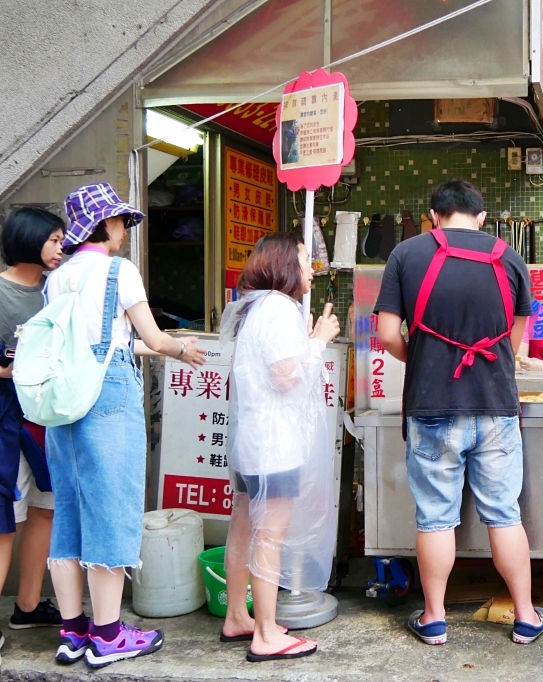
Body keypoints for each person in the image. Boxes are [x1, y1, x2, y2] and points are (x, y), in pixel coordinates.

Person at [374, 180, 543, 646]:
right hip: (495, 405)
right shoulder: (509, 258)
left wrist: (426, 356)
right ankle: (527, 616)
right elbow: (515, 342)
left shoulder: (406, 255)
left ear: (433, 216)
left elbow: (388, 333)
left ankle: (434, 619)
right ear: (482, 217)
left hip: (432, 405)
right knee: (504, 514)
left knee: (434, 517)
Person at [43, 183, 205, 669]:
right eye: (119, 222)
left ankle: (73, 632)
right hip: (108, 398)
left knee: (70, 513)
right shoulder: (120, 270)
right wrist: (181, 348)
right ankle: (109, 636)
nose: (123, 230)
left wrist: (154, 346)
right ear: (104, 224)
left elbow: (93, 343)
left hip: (64, 399)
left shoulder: (58, 277)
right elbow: (151, 335)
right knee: (112, 509)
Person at [220, 232, 340, 663]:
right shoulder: (278, 307)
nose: (311, 269)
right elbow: (286, 375)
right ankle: (267, 633)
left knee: (244, 527)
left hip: (253, 440)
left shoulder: (258, 306)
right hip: (273, 445)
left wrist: (307, 342)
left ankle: (238, 614)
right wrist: (320, 339)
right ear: (286, 265)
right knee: (269, 535)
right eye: (306, 260)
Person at [0, 208, 66, 647]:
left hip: (47, 414)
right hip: (5, 416)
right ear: (29, 240)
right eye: (54, 241)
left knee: (46, 507)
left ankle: (28, 606)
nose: (62, 250)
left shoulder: (56, 291)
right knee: (4, 520)